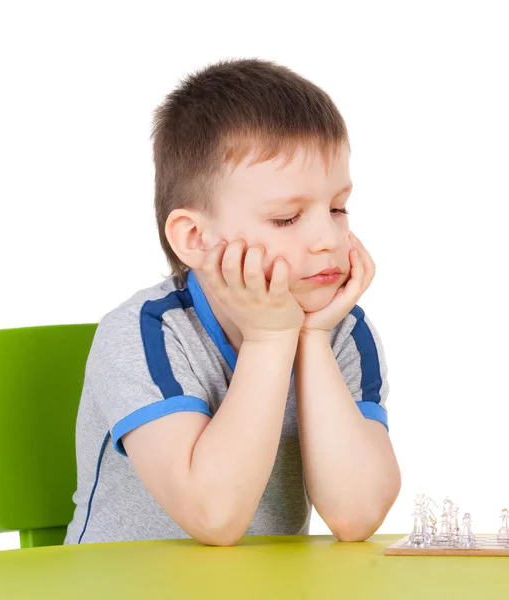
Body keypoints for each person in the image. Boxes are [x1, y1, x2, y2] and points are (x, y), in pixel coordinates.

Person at [64, 57, 401, 547]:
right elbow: (214, 516)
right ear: (196, 237)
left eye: (337, 208)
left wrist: (310, 336)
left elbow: (357, 514)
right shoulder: (144, 333)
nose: (328, 238)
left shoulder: (342, 331)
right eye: (287, 218)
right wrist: (270, 338)